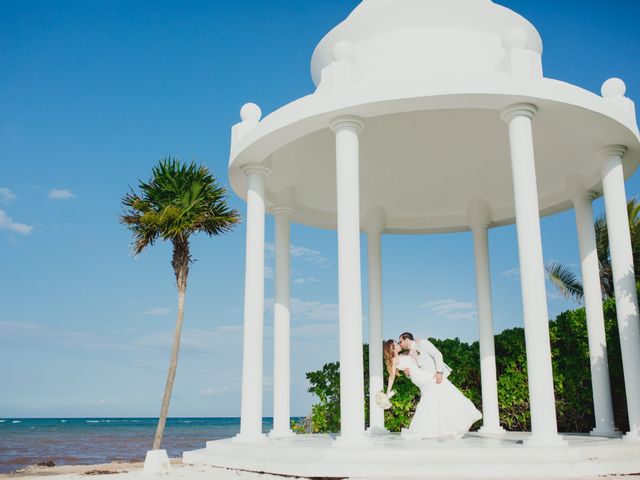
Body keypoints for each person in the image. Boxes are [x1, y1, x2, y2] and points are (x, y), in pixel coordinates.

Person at [383, 338, 482, 440]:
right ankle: (460, 420)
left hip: (421, 377)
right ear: (392, 348)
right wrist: (387, 394)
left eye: (399, 342)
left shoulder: (404, 355)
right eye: (396, 343)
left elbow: (415, 364)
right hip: (421, 379)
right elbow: (391, 377)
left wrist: (417, 345)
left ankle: (453, 425)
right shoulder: (395, 360)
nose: (398, 344)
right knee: (442, 391)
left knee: (435, 399)